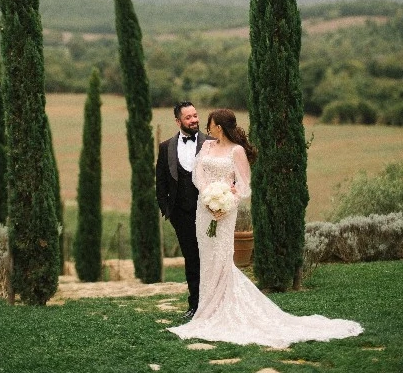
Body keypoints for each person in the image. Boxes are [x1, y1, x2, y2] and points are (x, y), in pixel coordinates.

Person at [168, 108, 364, 349]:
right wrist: (208, 196)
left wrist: (226, 202)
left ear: (219, 126)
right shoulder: (207, 147)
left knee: (222, 258)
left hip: (225, 212)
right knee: (206, 259)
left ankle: (221, 308)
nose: (207, 128)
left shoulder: (237, 151)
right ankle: (206, 311)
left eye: (210, 124)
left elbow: (244, 185)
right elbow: (198, 175)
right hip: (204, 209)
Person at [156, 101, 210, 319]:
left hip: (209, 210)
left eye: (195, 115)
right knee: (192, 258)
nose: (194, 120)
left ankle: (213, 303)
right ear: (178, 121)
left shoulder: (211, 143)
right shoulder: (165, 146)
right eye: (188, 117)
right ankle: (195, 305)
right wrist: (167, 210)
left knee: (209, 258)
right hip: (181, 214)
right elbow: (160, 181)